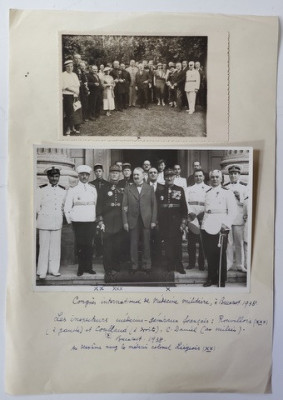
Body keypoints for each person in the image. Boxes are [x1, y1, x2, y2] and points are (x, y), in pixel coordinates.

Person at [201, 170, 237, 287]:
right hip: (208, 226)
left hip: (221, 226)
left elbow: (233, 211)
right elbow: (207, 211)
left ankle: (221, 279)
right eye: (212, 177)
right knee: (210, 253)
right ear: (210, 179)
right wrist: (203, 226)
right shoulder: (207, 192)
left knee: (220, 253)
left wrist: (225, 225)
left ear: (221, 179)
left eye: (217, 177)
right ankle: (211, 278)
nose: (215, 179)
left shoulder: (227, 193)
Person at [64, 165, 97, 276]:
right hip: (78, 220)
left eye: (86, 175)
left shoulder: (93, 188)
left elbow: (95, 204)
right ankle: (81, 268)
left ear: (89, 176)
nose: (84, 176)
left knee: (89, 245)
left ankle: (89, 267)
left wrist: (95, 218)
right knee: (80, 245)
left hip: (91, 220)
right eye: (82, 174)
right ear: (78, 175)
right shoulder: (73, 189)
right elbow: (67, 206)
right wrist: (70, 220)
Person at [122, 167, 157, 271]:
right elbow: (124, 206)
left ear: (143, 175)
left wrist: (153, 221)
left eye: (138, 174)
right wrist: (125, 222)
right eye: (134, 175)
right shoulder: (128, 188)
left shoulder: (149, 188)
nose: (136, 176)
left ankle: (147, 265)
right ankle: (134, 265)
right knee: (133, 244)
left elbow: (154, 205)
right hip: (133, 220)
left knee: (146, 244)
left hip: (146, 220)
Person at [36, 166, 66, 279]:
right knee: (44, 247)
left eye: (56, 176)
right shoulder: (41, 189)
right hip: (44, 221)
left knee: (55, 247)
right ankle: (41, 271)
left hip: (56, 221)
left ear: (59, 177)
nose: (54, 178)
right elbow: (36, 207)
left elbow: (63, 206)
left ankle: (54, 269)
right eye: (52, 176)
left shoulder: (63, 190)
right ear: (48, 177)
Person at [156, 169, 187, 274]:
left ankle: (179, 265)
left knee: (177, 244)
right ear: (164, 177)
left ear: (174, 177)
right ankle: (169, 265)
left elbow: (184, 208)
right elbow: (157, 208)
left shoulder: (180, 189)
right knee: (168, 245)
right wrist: (157, 222)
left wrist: (183, 222)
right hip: (164, 221)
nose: (169, 178)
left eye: (171, 176)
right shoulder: (160, 191)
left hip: (176, 221)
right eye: (167, 176)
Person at [96, 165, 124, 274]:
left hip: (119, 220)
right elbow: (99, 205)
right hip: (107, 220)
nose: (114, 174)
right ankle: (107, 268)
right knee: (107, 246)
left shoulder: (123, 187)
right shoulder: (104, 188)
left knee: (117, 245)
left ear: (119, 174)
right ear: (109, 174)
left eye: (116, 173)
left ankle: (116, 266)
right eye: (112, 173)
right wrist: (100, 220)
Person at [224, 164, 248, 272]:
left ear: (239, 175)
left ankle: (239, 264)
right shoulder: (225, 187)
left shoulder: (244, 187)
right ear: (229, 175)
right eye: (231, 173)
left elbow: (247, 203)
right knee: (229, 243)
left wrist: (240, 197)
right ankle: (228, 263)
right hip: (228, 218)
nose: (233, 175)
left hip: (239, 218)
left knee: (239, 242)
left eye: (235, 173)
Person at [185, 169, 210, 270]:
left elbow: (209, 203)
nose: (198, 178)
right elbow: (186, 202)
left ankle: (201, 264)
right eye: (196, 176)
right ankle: (191, 263)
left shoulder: (208, 189)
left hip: (203, 217)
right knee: (191, 242)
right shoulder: (188, 189)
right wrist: (190, 213)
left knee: (202, 242)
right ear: (193, 177)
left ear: (203, 177)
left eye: (200, 176)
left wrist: (202, 214)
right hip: (192, 217)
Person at [89, 163, 109, 258]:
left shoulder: (107, 184)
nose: (98, 173)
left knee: (104, 230)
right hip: (93, 210)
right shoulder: (91, 184)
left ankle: (104, 251)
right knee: (95, 231)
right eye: (96, 171)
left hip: (105, 210)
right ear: (94, 173)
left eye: (100, 171)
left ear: (103, 172)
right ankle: (97, 251)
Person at [148, 167, 163, 267]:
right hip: (147, 219)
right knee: (147, 242)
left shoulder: (163, 187)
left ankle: (157, 263)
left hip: (160, 220)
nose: (153, 174)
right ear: (148, 175)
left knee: (158, 241)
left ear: (158, 174)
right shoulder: (144, 187)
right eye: (151, 173)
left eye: (155, 172)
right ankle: (148, 262)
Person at [62, 59, 80, 135]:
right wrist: (74, 91)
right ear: (65, 67)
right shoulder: (63, 75)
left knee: (75, 112)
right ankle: (68, 129)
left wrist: (77, 92)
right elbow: (65, 87)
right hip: (67, 95)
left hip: (75, 95)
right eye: (68, 66)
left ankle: (73, 127)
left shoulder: (74, 74)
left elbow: (78, 84)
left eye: (71, 66)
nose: (70, 68)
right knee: (69, 113)